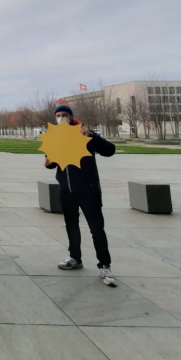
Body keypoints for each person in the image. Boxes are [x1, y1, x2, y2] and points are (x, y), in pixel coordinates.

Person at [44, 104, 117, 287]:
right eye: (58, 115)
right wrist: (49, 160)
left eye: (64, 115)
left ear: (71, 116)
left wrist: (91, 136)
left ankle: (105, 265)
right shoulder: (55, 137)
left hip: (88, 190)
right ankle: (75, 257)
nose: (61, 118)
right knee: (71, 226)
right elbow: (50, 163)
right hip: (66, 190)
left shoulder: (84, 134)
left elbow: (109, 150)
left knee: (96, 228)